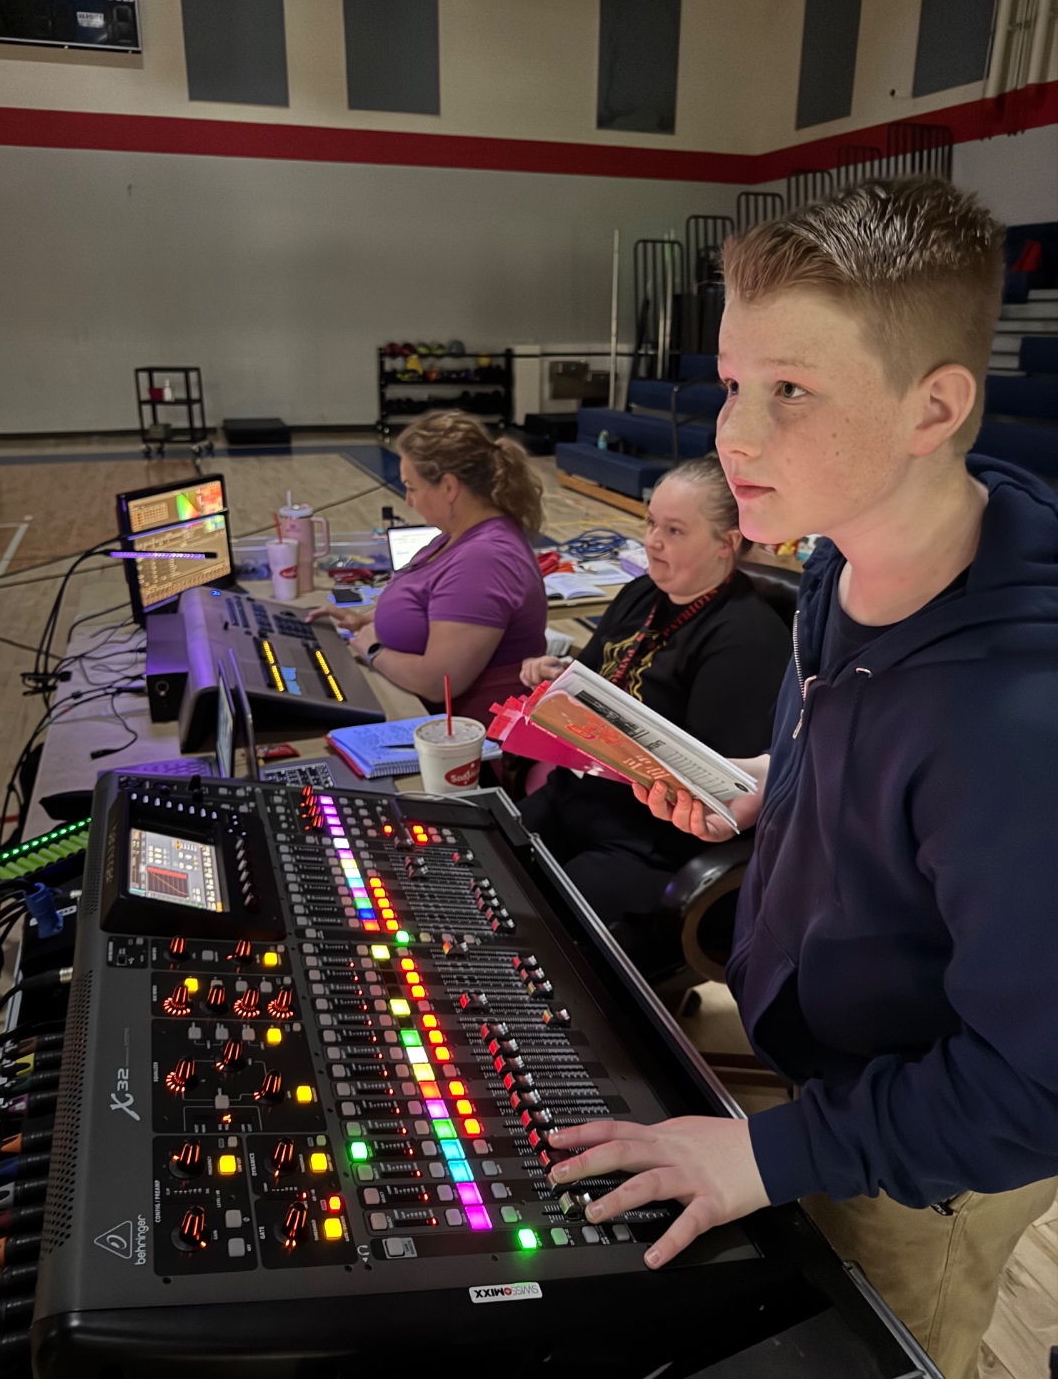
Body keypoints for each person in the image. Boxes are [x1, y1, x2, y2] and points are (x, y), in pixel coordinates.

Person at [545, 179, 1058, 1379]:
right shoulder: (844, 552)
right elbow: (872, 761)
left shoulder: (1021, 724)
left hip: (921, 1168)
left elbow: (1032, 1089)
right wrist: (761, 784)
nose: (735, 434)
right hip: (816, 1051)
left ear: (934, 407)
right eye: (732, 382)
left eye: (792, 390)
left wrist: (766, 1161)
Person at [517, 455, 790, 972]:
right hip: (579, 798)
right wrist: (559, 679)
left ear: (726, 543)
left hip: (649, 844)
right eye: (650, 522)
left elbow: (715, 786)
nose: (652, 541)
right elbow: (596, 681)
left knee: (540, 945)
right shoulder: (642, 592)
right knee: (486, 866)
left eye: (674, 530)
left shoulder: (745, 638)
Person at [314, 412, 547, 725]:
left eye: (412, 487)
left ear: (449, 487)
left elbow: (441, 683)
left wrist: (372, 649)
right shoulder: (458, 535)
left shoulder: (483, 559)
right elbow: (440, 613)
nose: (408, 501)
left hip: (470, 735)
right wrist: (368, 621)